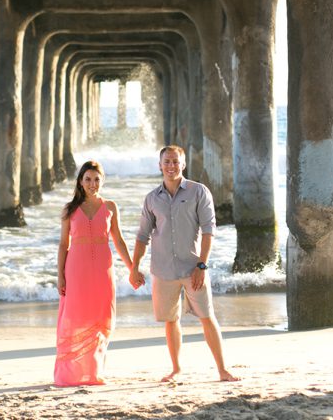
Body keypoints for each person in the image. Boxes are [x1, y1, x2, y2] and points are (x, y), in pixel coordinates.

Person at [129, 145, 240, 382]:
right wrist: (134, 267)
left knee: (207, 316)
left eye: (175, 162)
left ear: (183, 164)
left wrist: (202, 265)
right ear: (160, 165)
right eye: (167, 162)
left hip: (193, 269)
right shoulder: (151, 199)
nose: (171, 166)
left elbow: (209, 231)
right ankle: (176, 369)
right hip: (163, 270)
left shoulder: (199, 192)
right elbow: (142, 236)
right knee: (171, 320)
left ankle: (222, 370)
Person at [54, 160, 133, 386]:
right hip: (76, 269)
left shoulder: (110, 207)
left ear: (103, 181)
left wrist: (132, 268)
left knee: (100, 317)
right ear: (80, 181)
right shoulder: (69, 209)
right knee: (76, 316)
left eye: (97, 179)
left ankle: (93, 372)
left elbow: (118, 240)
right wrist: (60, 275)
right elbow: (63, 245)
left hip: (102, 269)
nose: (92, 184)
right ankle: (70, 375)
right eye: (87, 179)